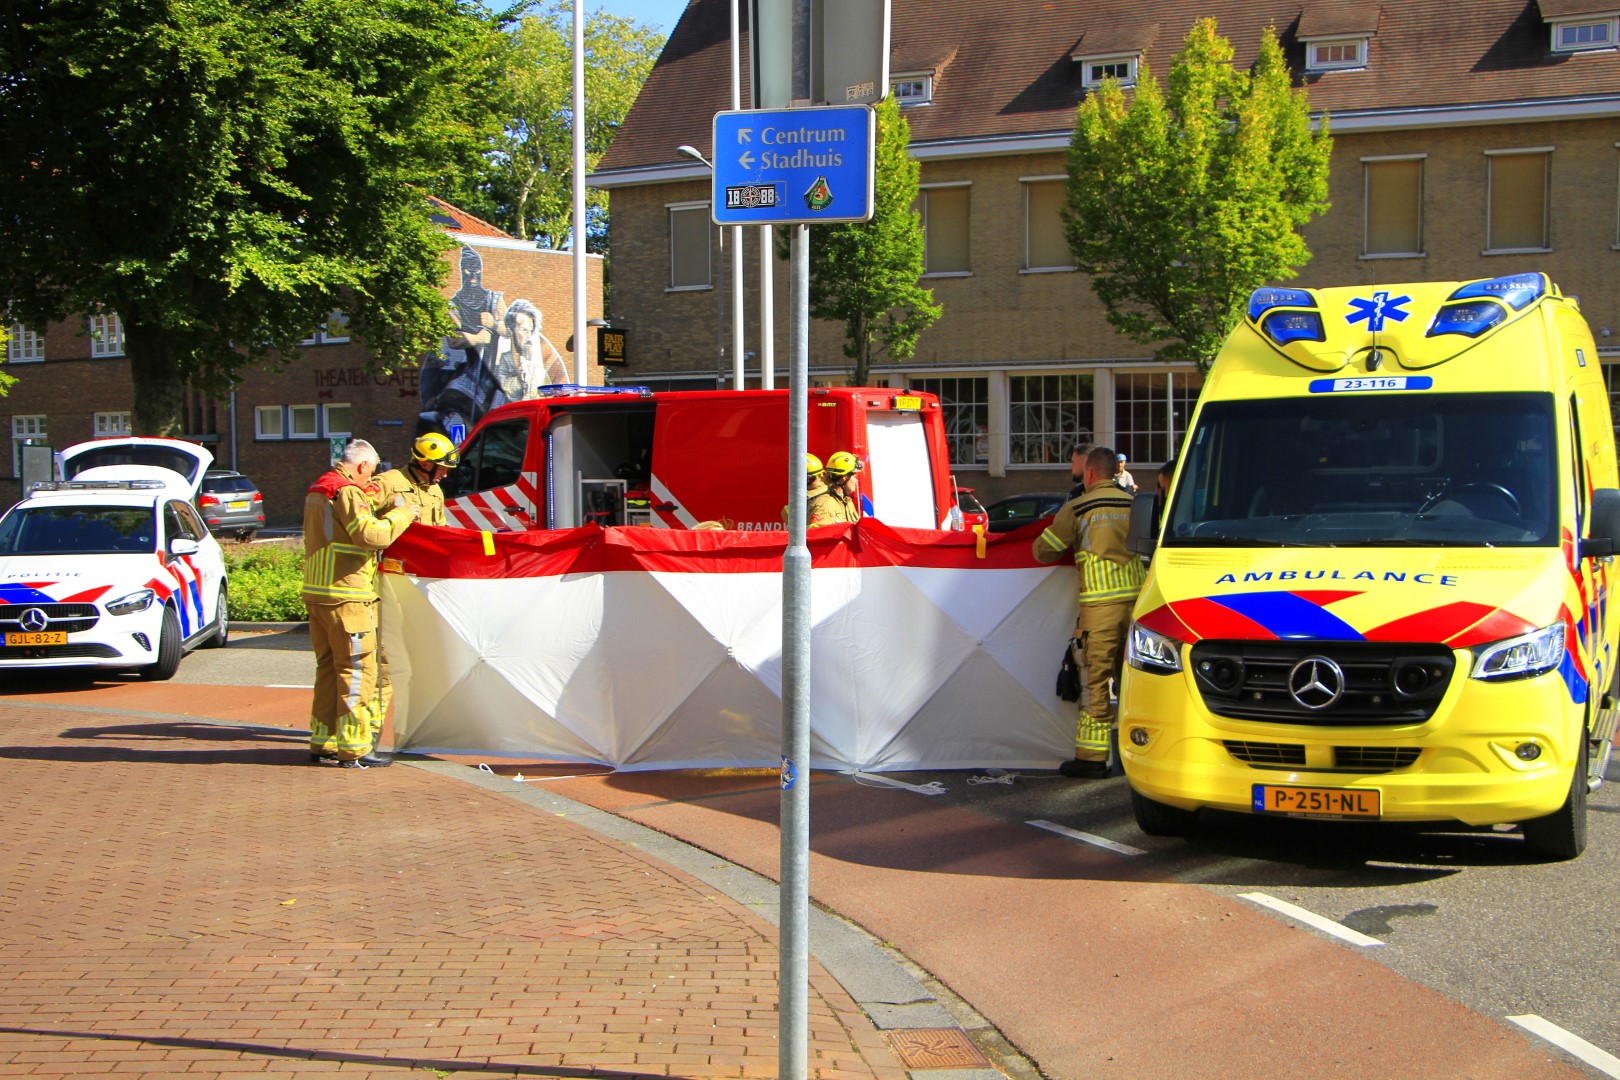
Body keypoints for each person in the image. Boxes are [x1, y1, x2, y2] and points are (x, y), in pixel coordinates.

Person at [1033, 445, 1147, 778]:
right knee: (1136, 682)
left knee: (1095, 680)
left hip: (1100, 608)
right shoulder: (1136, 504)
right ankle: (1138, 754)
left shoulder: (1079, 507)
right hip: (1140, 607)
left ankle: (1092, 759)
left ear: (1091, 473)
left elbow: (1043, 550)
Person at [303, 439, 418, 769]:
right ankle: (355, 748)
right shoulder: (347, 492)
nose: (372, 482)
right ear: (363, 466)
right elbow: (370, 536)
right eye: (371, 473)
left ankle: (322, 741)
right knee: (358, 672)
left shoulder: (318, 489)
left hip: (318, 593)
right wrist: (402, 514)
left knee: (328, 669)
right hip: (348, 595)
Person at [369, 433, 460, 746]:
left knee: (421, 659)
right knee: (386, 660)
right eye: (441, 466)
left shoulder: (435, 491)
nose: (446, 472)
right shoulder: (388, 483)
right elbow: (357, 521)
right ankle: (370, 732)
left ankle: (415, 730)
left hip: (419, 587)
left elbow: (440, 535)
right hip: (389, 584)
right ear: (424, 462)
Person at [821, 451, 865, 524]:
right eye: (854, 476)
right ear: (845, 477)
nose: (856, 480)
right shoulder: (824, 504)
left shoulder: (847, 501)